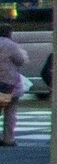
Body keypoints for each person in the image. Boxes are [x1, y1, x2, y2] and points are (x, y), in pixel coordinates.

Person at [0, 18, 26, 148]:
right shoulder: (11, 45)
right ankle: (8, 139)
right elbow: (20, 60)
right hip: (8, 84)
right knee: (10, 112)